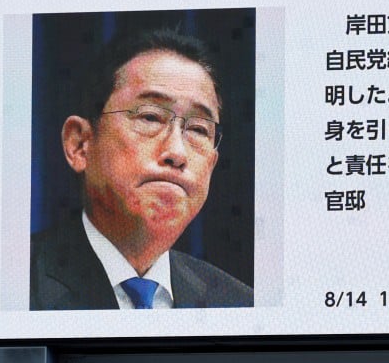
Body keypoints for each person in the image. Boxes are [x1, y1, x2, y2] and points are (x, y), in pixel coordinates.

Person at [30, 27, 254, 310]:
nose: (176, 152)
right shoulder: (15, 286)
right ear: (80, 144)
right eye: (150, 117)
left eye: (198, 129)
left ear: (212, 163)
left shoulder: (239, 304)